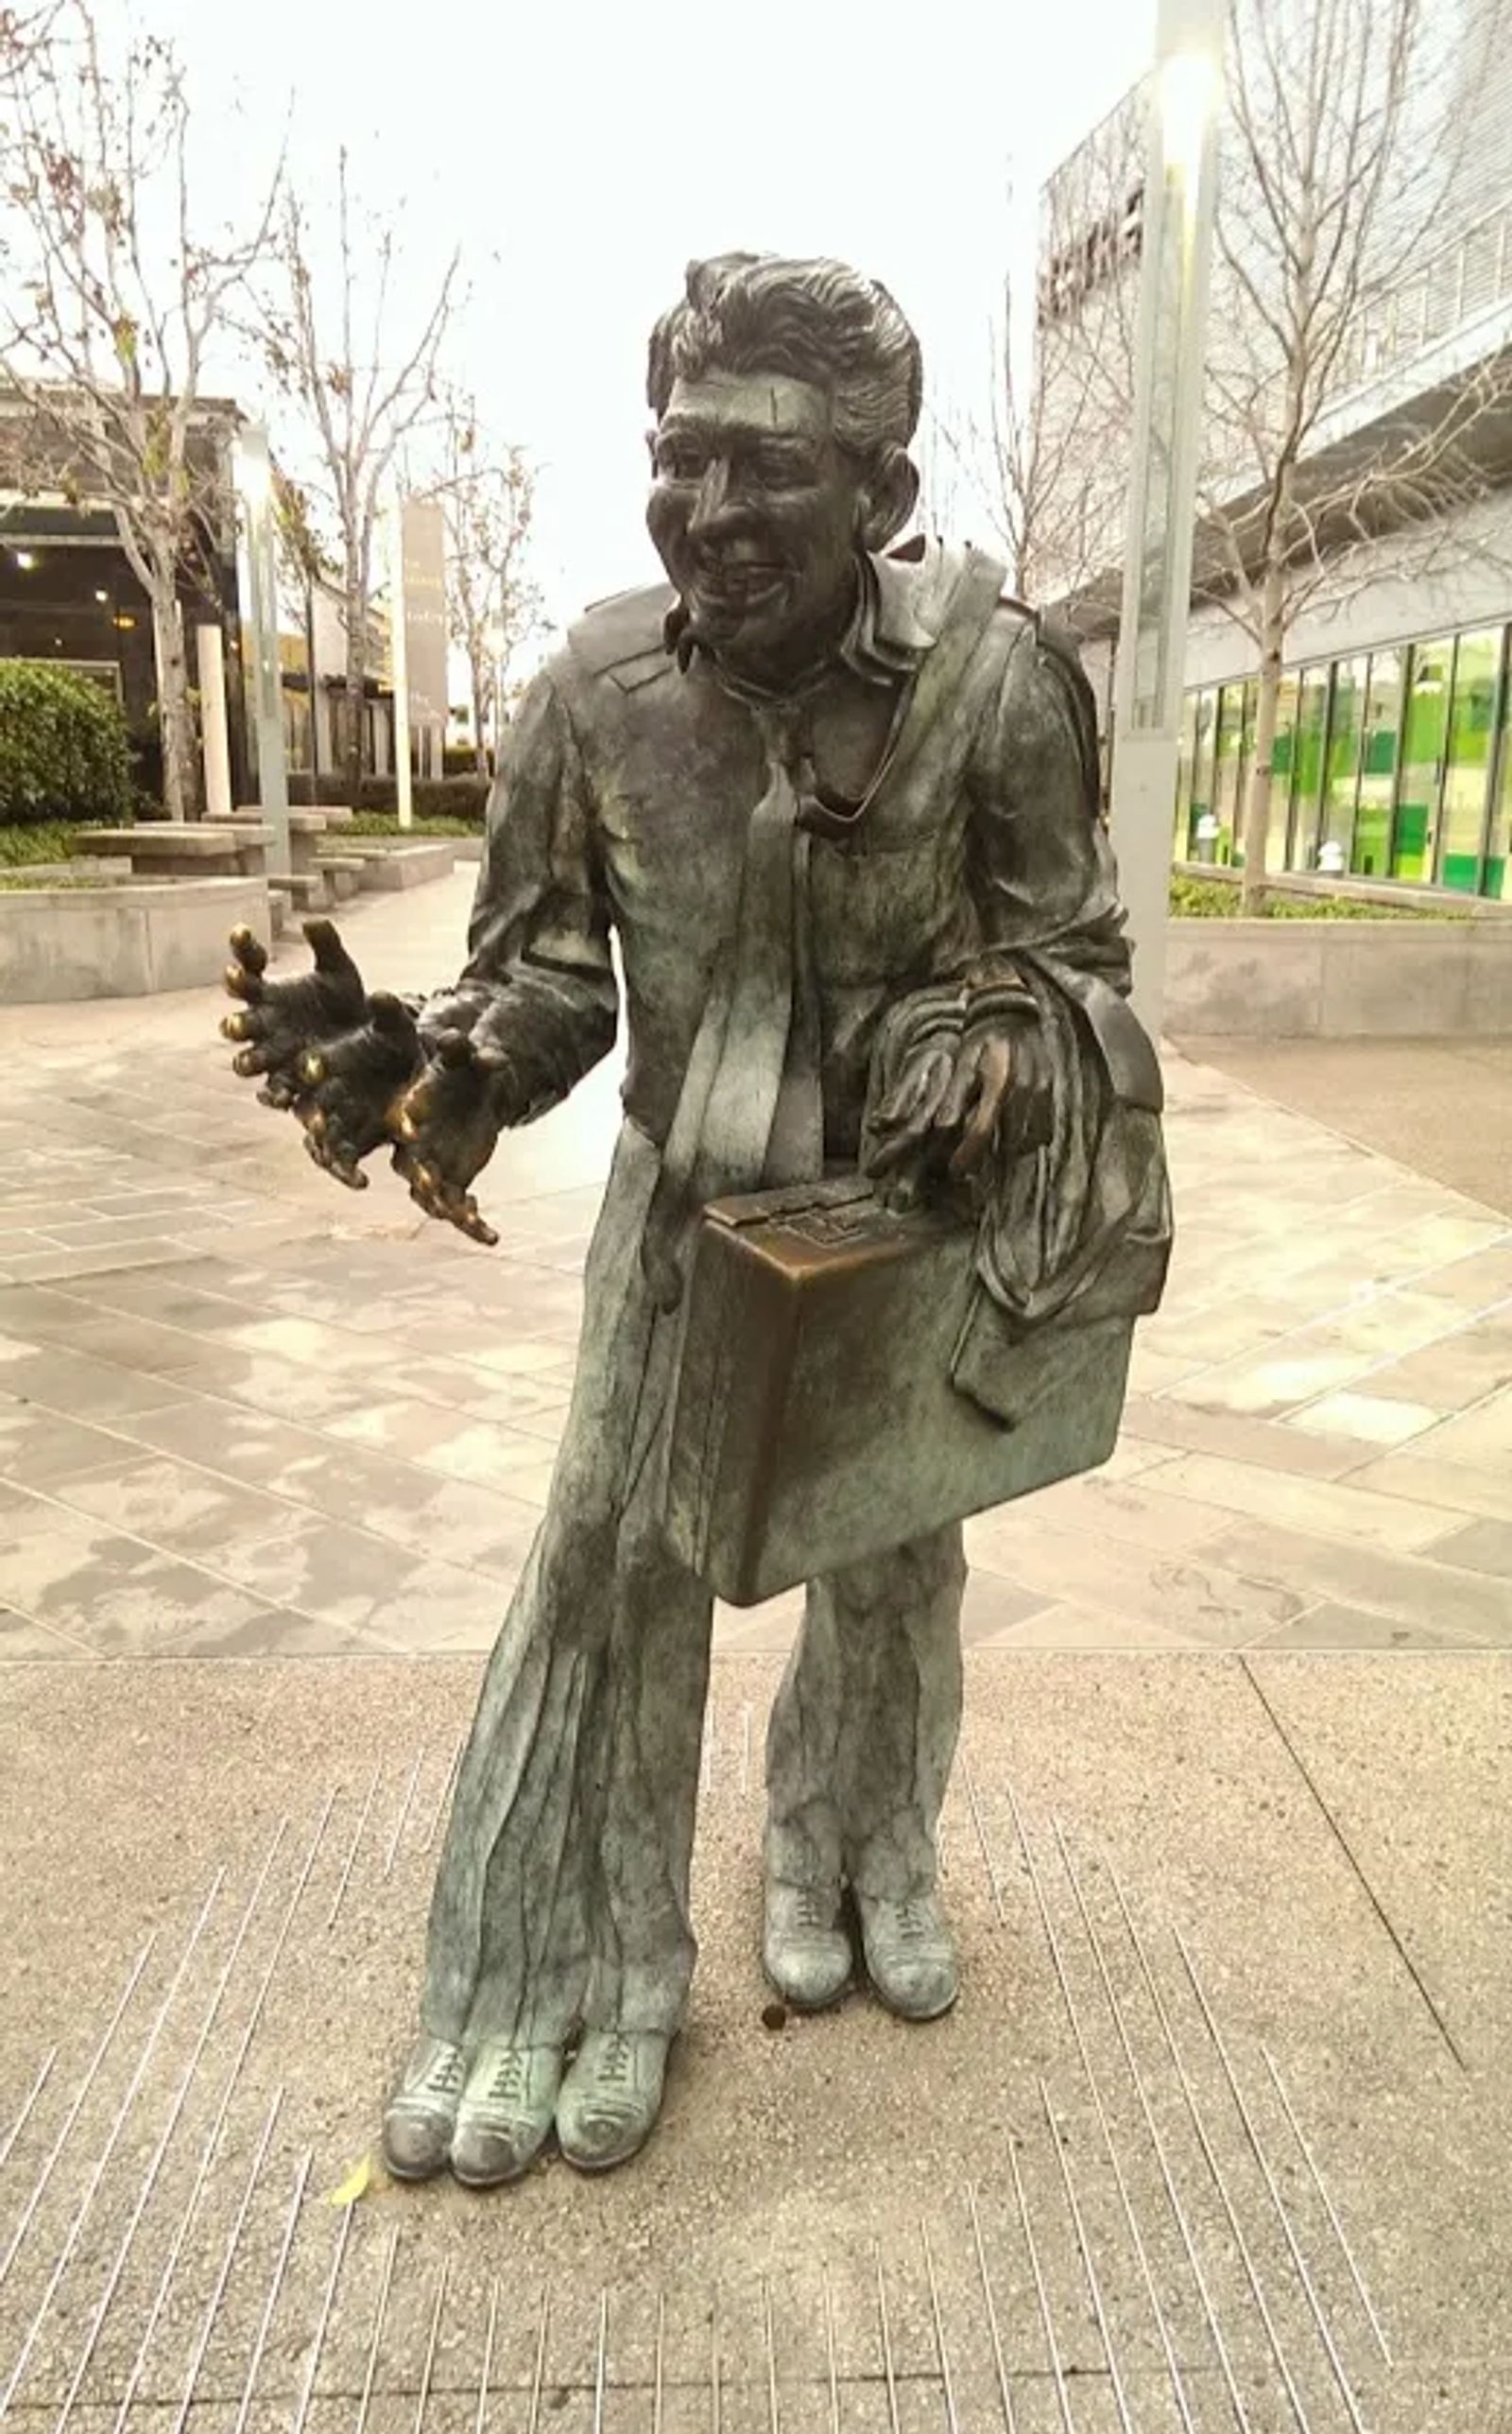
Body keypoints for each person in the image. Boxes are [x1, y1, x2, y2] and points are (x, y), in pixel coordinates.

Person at [220, 251, 1167, 2188]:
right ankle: (577, 1946)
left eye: (767, 468)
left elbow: (1069, 943)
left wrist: (988, 1035)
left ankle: (855, 1844)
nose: (711, 512)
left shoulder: (995, 686)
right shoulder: (592, 690)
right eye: (679, 461)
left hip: (901, 1216)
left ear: (878, 496)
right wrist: (457, 1059)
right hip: (677, 1210)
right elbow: (547, 968)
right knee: (605, 1566)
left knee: (893, 1569)